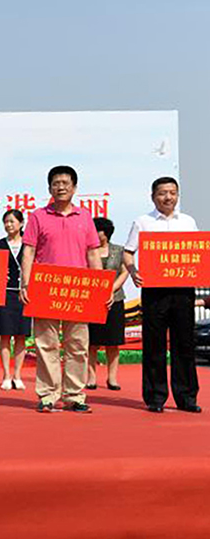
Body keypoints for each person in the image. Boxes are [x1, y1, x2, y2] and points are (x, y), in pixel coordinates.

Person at [20, 165, 102, 413]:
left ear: (74, 187)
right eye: (56, 183)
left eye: (66, 183)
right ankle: (48, 395)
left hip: (78, 290)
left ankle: (74, 395)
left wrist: (101, 287)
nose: (61, 187)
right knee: (46, 344)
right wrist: (26, 283)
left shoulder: (85, 217)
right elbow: (29, 252)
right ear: (49, 188)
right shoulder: (38, 216)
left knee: (78, 344)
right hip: (45, 288)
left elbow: (93, 253)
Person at [123, 176, 203, 413]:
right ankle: (155, 397)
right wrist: (133, 271)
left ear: (177, 195)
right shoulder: (143, 222)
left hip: (183, 291)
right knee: (154, 345)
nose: (168, 197)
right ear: (153, 196)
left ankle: (187, 397)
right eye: (162, 193)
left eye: (172, 192)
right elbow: (128, 252)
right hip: (155, 292)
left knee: (184, 344)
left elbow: (197, 251)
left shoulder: (188, 221)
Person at [0, 209, 32, 391]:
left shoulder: (29, 245)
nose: (9, 225)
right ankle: (6, 375)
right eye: (6, 222)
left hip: (24, 295)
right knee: (5, 335)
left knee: (21, 336)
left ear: (21, 223)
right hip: (4, 294)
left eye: (12, 221)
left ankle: (17, 375)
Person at [87, 217, 128, 391]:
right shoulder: (88, 250)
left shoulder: (119, 250)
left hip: (115, 299)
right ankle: (91, 378)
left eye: (98, 230)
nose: (95, 234)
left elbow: (124, 272)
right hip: (92, 300)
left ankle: (112, 378)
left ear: (106, 233)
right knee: (92, 342)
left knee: (113, 342)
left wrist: (111, 289)